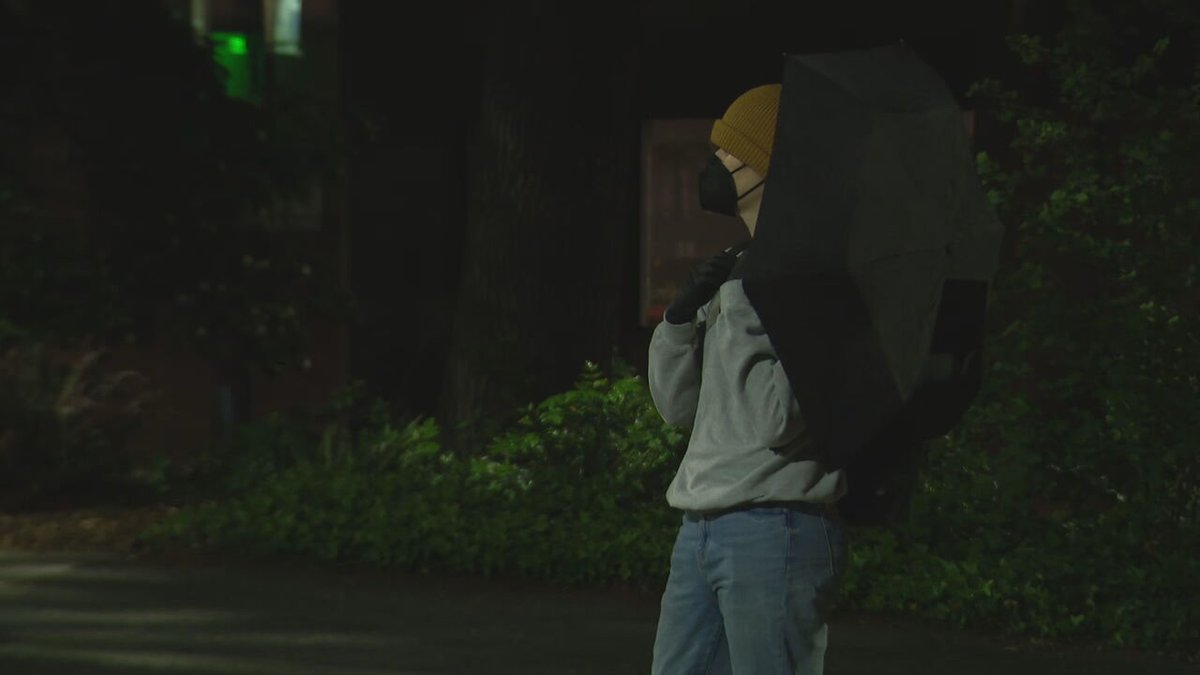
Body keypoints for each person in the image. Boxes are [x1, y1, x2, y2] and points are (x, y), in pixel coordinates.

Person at [648, 83, 850, 675]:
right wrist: (681, 321)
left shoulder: (813, 278)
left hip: (776, 525)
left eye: (730, 150)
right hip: (701, 523)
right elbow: (680, 410)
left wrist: (743, 310)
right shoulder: (740, 268)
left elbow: (778, 419)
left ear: (771, 165)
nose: (716, 164)